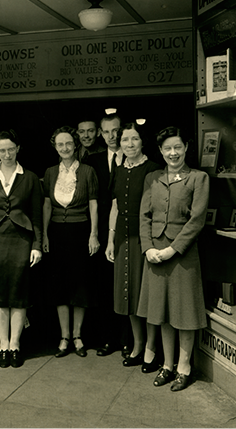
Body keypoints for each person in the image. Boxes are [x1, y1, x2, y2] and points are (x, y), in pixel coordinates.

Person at [138, 126, 209, 392]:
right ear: (160, 151)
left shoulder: (198, 178)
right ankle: (167, 365)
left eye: (177, 147)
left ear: (186, 148)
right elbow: (143, 216)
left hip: (182, 255)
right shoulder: (152, 178)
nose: (173, 153)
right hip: (155, 254)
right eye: (167, 148)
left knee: (184, 312)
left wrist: (172, 249)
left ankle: (184, 367)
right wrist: (148, 248)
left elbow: (197, 220)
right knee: (163, 312)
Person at [0, 129, 43, 368]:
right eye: (2, 150)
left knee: (18, 293)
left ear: (18, 149)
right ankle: (2, 344)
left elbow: (36, 215)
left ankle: (15, 344)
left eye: (11, 149)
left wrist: (37, 245)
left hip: (21, 241)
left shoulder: (30, 177)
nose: (7, 154)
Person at [105, 122, 162, 370]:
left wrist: (151, 242)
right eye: (125, 140)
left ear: (143, 142)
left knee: (144, 294)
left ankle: (151, 348)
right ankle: (137, 345)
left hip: (144, 237)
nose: (129, 144)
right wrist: (109, 239)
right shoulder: (117, 169)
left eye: (134, 139)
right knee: (127, 295)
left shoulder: (153, 170)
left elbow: (157, 210)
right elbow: (115, 206)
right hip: (122, 237)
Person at [41, 126, 99, 358]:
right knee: (60, 286)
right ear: (55, 147)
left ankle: (78, 336)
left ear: (75, 145)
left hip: (80, 231)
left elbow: (93, 204)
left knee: (80, 284)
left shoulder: (87, 171)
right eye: (60, 144)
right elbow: (47, 204)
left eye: (68, 144)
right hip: (56, 233)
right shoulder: (50, 171)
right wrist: (44, 234)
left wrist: (93, 234)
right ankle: (64, 337)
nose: (64, 148)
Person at [84, 111, 124, 357]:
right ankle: (108, 338)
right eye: (107, 131)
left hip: (128, 230)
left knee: (128, 284)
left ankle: (128, 340)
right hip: (101, 232)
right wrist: (94, 234)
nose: (113, 136)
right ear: (100, 133)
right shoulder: (93, 163)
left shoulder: (134, 158)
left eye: (116, 131)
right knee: (105, 286)